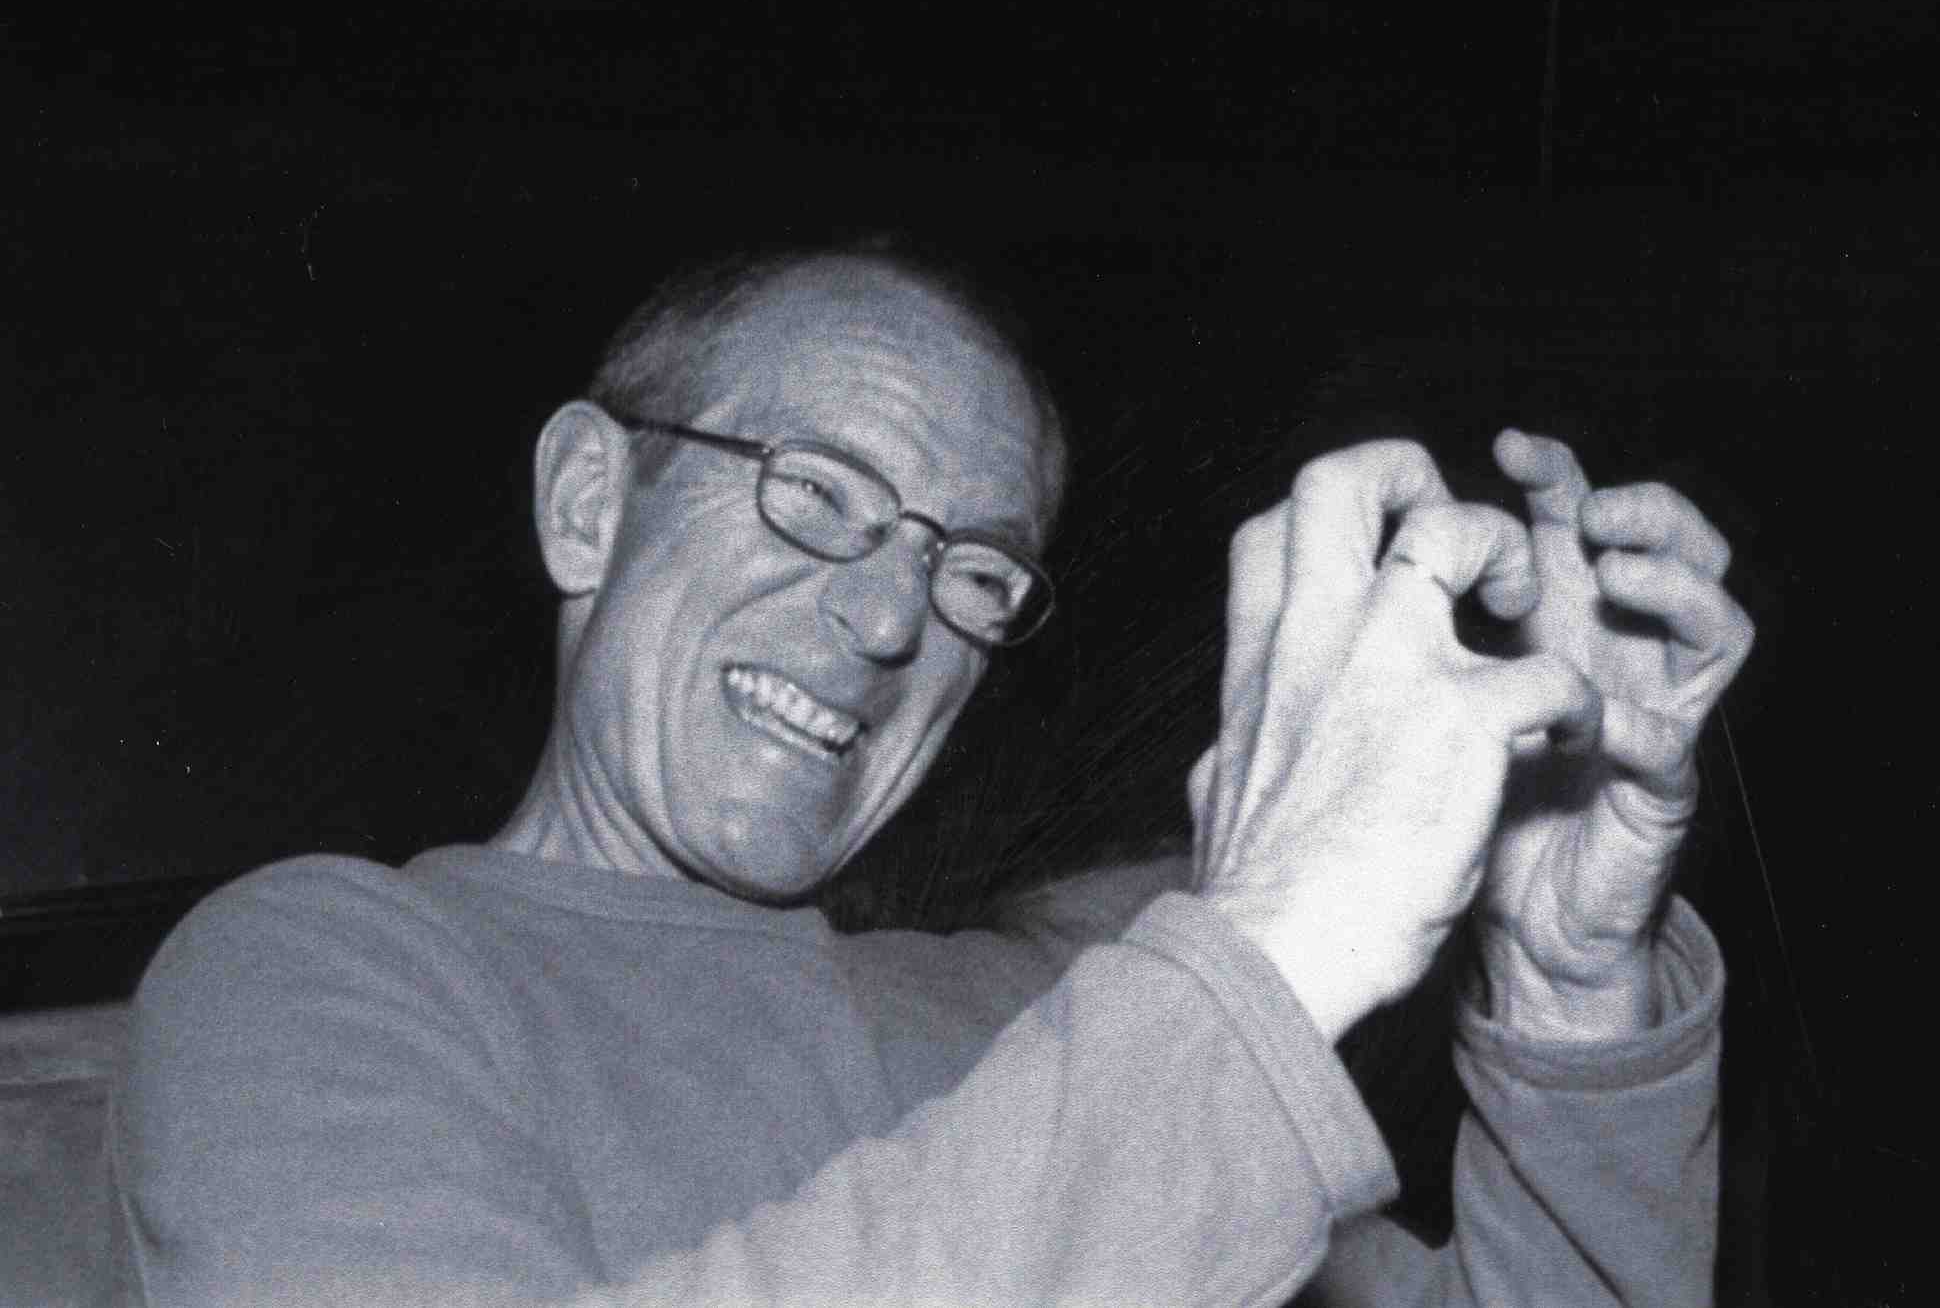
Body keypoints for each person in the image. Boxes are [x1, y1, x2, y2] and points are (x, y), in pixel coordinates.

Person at [106, 240, 1752, 1307]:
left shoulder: (1037, 1022)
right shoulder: (313, 966)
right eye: (817, 492)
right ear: (590, 504)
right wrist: (1271, 953)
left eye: (973, 569)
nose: (894, 616)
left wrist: (1569, 983)